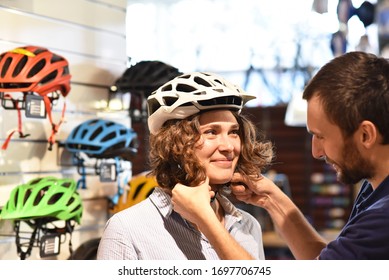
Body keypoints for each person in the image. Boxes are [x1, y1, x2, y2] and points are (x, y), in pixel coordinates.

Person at [171, 51, 389, 260]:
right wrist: (273, 200)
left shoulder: (382, 218)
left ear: (365, 134)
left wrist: (206, 220)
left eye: (320, 136)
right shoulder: (374, 188)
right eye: (211, 132)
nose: (316, 152)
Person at [97, 72, 274, 260]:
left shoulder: (247, 226)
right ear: (174, 143)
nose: (229, 146)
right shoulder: (127, 230)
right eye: (211, 132)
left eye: (234, 132)